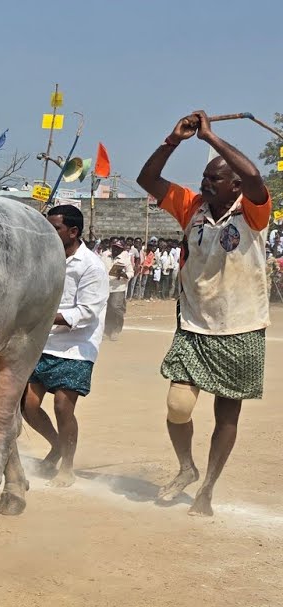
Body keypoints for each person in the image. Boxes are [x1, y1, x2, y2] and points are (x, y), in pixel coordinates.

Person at [136, 110, 272, 516]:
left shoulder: (253, 211)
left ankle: (207, 488)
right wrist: (172, 139)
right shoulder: (191, 207)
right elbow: (148, 180)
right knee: (178, 406)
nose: (204, 183)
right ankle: (186, 468)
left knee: (226, 412)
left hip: (242, 326)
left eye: (214, 178)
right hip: (194, 325)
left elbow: (255, 179)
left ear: (233, 186)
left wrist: (211, 137)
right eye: (204, 177)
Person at [21, 204, 108, 487]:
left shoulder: (92, 266)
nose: (50, 233)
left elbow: (86, 313)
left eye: (55, 228)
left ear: (73, 231)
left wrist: (43, 317)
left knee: (62, 405)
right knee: (28, 405)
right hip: (44, 342)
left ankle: (67, 466)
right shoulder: (46, 259)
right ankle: (57, 445)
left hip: (76, 347)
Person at [103, 238, 135, 341]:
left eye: (118, 248)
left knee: (116, 307)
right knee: (107, 309)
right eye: (114, 247)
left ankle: (116, 330)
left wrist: (124, 274)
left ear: (122, 249)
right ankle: (107, 330)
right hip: (105, 286)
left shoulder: (125, 258)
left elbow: (131, 272)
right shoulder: (105, 256)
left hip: (118, 287)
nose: (116, 249)